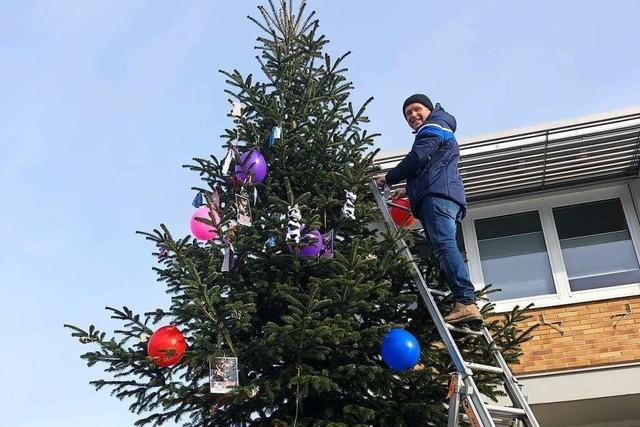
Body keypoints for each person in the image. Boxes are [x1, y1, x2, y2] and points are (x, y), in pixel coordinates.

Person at [375, 94, 482, 325]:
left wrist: (389, 178)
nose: (413, 115)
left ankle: (465, 301)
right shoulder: (442, 128)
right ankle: (463, 300)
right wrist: (407, 191)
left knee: (444, 245)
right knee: (444, 245)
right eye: (408, 114)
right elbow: (432, 165)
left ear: (429, 109)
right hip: (445, 196)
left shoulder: (433, 127)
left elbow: (417, 158)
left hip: (437, 199)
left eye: (416, 109)